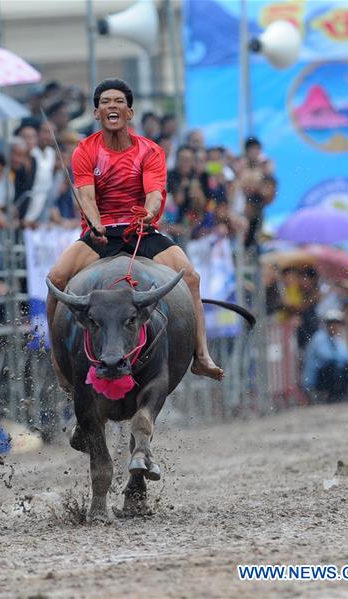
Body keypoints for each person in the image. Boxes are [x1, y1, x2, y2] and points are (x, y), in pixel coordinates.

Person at [47, 78, 224, 384]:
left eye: (118, 102)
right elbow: (86, 195)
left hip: (141, 231)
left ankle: (201, 355)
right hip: (100, 233)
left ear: (129, 112)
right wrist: (95, 223)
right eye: (105, 102)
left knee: (191, 277)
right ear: (96, 113)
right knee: (56, 280)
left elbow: (155, 192)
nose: (112, 107)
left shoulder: (150, 151)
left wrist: (150, 213)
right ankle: (58, 358)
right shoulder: (85, 151)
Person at [302, 309, 348, 402]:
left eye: (337, 323)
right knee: (332, 366)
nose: (335, 326)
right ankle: (330, 394)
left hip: (330, 373)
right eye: (332, 323)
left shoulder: (337, 339)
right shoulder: (318, 338)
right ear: (327, 324)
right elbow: (326, 356)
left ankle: (341, 393)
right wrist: (347, 360)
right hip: (317, 378)